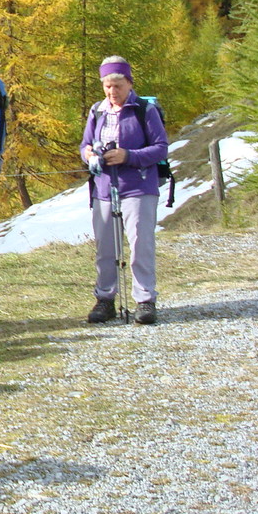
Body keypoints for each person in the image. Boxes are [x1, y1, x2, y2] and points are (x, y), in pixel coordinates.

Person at [80, 56, 168, 325]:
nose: (112, 91)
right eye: (107, 86)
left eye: (117, 85)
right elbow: (85, 145)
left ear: (129, 83)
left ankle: (145, 300)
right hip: (104, 188)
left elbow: (160, 148)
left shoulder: (144, 110)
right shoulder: (97, 111)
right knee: (105, 248)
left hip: (139, 187)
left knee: (141, 244)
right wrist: (89, 154)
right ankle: (105, 299)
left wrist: (128, 156)